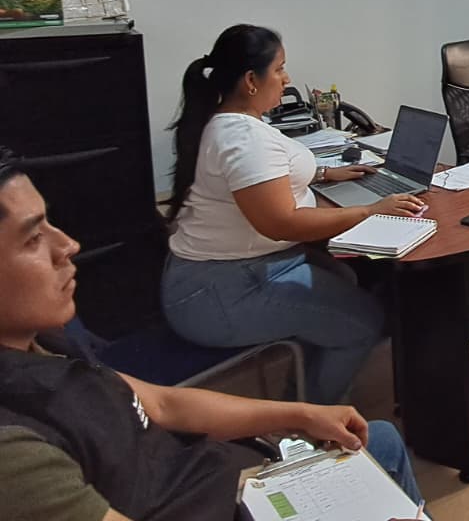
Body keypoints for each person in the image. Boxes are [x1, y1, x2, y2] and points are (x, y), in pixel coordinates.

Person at [0, 147, 425, 521]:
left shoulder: (44, 343)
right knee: (360, 330)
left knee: (380, 439)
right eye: (33, 238)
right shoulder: (15, 458)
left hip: (215, 485)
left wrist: (301, 414)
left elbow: (163, 403)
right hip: (216, 499)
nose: (68, 245)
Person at [161, 24, 426, 405]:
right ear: (251, 80)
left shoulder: (232, 121)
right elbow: (280, 223)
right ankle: (311, 419)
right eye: (280, 68)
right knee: (365, 321)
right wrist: (369, 210)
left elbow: (261, 181)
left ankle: (306, 384)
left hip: (234, 271)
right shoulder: (242, 138)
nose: (287, 79)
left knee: (347, 276)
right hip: (223, 291)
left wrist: (323, 174)